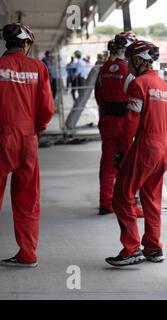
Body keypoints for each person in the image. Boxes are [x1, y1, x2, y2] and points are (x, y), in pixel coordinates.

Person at [106, 40, 167, 267]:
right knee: (152, 200)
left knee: (121, 196)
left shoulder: (138, 84)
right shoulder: (165, 88)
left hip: (145, 147)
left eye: (129, 59)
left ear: (137, 59)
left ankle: (132, 248)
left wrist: (121, 152)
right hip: (163, 149)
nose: (127, 65)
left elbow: (131, 122)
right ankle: (154, 248)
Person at [0, 23, 54, 268]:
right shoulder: (38, 67)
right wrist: (36, 131)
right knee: (28, 200)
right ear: (25, 43)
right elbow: (46, 110)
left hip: (2, 137)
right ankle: (28, 254)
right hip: (27, 140)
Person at [94, 32, 143, 217]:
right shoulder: (129, 73)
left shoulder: (104, 68)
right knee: (128, 165)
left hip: (107, 121)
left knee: (107, 164)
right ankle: (129, 205)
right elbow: (137, 100)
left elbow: (99, 97)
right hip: (126, 122)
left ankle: (105, 203)